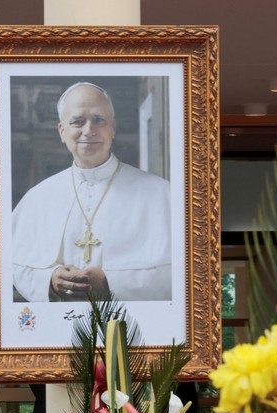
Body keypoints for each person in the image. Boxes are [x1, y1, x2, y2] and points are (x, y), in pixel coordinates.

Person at [12, 81, 172, 302]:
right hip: (58, 321)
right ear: (62, 131)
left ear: (112, 128)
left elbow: (184, 271)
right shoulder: (37, 198)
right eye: (78, 121)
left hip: (132, 323)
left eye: (98, 120)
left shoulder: (162, 194)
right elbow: (12, 263)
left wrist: (110, 283)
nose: (89, 130)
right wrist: (49, 280)